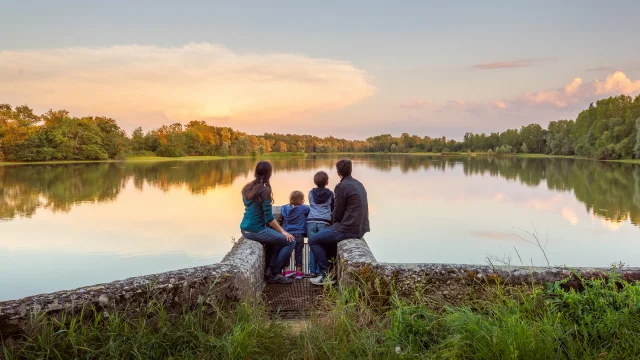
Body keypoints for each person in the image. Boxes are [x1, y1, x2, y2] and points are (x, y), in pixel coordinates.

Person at [309, 159, 370, 286]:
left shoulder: (341, 186)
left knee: (313, 240)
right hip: (360, 228)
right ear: (351, 170)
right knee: (327, 240)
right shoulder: (359, 184)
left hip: (347, 228)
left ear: (338, 173)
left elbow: (337, 212)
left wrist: (334, 224)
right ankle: (332, 272)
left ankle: (325, 275)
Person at [240, 161, 295, 284]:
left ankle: (269, 270)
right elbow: (269, 218)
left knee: (276, 241)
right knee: (290, 242)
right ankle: (275, 274)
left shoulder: (248, 187)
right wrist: (283, 231)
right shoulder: (264, 190)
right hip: (256, 230)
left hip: (245, 228)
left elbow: (253, 209)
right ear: (269, 174)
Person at [306, 171, 334, 277]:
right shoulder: (330, 194)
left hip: (311, 221)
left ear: (315, 182)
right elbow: (333, 207)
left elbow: (311, 204)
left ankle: (312, 271)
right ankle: (320, 271)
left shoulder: (310, 193)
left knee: (313, 246)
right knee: (321, 247)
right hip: (324, 222)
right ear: (327, 182)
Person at [280, 191, 310, 279]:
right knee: (299, 253)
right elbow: (309, 209)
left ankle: (285, 271)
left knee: (287, 252)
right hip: (299, 234)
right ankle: (298, 272)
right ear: (301, 200)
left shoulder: (285, 208)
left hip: (288, 234)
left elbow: (282, 208)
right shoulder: (303, 209)